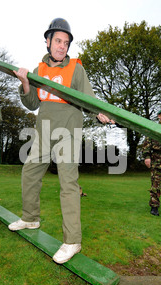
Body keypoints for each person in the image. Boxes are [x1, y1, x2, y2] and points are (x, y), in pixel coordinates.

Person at [9, 18, 113, 264]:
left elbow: (88, 97)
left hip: (68, 130)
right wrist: (25, 82)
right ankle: (30, 217)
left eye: (66, 43)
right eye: (57, 41)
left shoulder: (76, 68)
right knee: (30, 172)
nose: (62, 46)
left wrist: (99, 112)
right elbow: (32, 103)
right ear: (47, 41)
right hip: (44, 130)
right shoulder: (38, 70)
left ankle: (72, 241)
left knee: (68, 183)